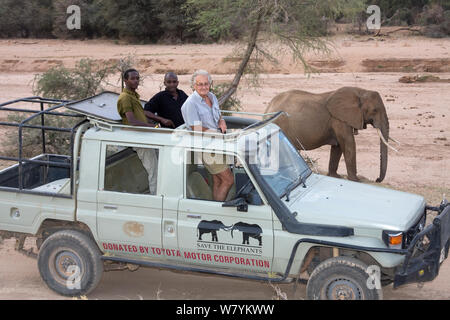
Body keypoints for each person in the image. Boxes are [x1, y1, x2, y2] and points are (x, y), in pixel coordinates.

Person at [181, 70, 234, 202]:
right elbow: (195, 128)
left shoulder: (212, 96)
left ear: (210, 84)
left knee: (217, 180)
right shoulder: (190, 104)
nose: (203, 87)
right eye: (200, 84)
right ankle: (219, 209)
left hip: (218, 143)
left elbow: (218, 114)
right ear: (194, 85)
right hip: (207, 148)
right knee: (228, 180)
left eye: (206, 84)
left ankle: (214, 208)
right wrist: (216, 133)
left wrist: (221, 121)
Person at [117, 68, 158, 194]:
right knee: (154, 170)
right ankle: (156, 197)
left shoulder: (133, 95)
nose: (135, 81)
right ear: (125, 81)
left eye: (137, 78)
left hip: (142, 135)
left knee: (156, 164)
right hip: (137, 137)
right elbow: (132, 121)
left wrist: (150, 123)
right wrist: (152, 127)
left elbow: (139, 116)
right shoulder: (125, 98)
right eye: (132, 78)